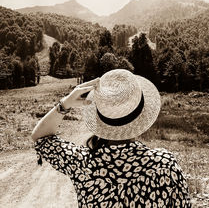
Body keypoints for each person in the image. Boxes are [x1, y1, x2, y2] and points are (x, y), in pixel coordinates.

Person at [32, 69, 191, 207]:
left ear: (100, 117)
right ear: (140, 116)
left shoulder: (81, 163)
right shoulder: (165, 165)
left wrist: (65, 103)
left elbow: (40, 137)